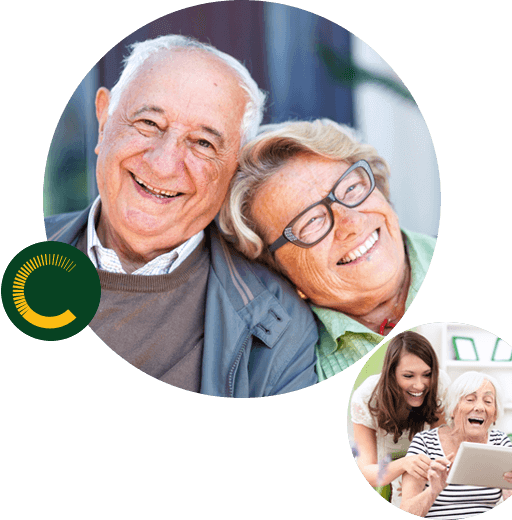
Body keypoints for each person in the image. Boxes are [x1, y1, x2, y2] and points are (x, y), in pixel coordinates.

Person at [44, 35, 318, 397]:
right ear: (103, 119)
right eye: (148, 123)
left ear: (234, 169)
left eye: (203, 143)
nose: (163, 163)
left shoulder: (278, 327)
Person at [219, 119, 437, 380]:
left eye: (351, 188)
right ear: (278, 269)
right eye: (311, 221)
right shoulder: (295, 372)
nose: (351, 222)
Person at [400, 371, 512, 518]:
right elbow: (407, 509)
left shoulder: (499, 442)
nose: (480, 407)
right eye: (470, 399)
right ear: (452, 409)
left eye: (488, 401)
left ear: (494, 414)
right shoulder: (425, 442)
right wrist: (433, 491)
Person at [350, 331, 450, 507]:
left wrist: (419, 482)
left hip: (425, 475)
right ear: (391, 374)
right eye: (408, 376)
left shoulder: (439, 385)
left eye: (426, 374)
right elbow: (366, 471)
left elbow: (441, 449)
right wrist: (405, 464)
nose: (419, 385)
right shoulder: (365, 398)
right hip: (384, 475)